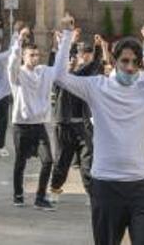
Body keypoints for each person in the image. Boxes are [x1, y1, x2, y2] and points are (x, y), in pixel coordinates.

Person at [53, 19, 144, 245]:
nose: (130, 67)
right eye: (125, 61)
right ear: (114, 60)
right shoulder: (97, 87)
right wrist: (67, 37)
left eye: (135, 62)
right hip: (105, 186)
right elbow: (60, 77)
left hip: (140, 187)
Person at [7, 25, 59, 210]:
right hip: (21, 125)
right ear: (24, 56)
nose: (35, 58)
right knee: (20, 161)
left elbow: (58, 68)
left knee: (48, 161)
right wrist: (18, 42)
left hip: (39, 125)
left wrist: (59, 44)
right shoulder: (18, 74)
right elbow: (11, 63)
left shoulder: (43, 72)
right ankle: (18, 194)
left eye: (37, 55)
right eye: (31, 55)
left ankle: (40, 196)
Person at [49, 38, 103, 204]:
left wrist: (99, 48)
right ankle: (55, 189)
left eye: (86, 54)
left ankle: (91, 193)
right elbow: (56, 72)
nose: (83, 57)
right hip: (64, 124)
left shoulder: (85, 76)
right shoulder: (61, 77)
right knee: (62, 160)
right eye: (80, 54)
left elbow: (95, 66)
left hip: (83, 124)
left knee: (88, 161)